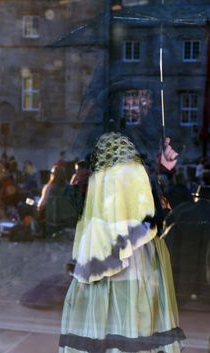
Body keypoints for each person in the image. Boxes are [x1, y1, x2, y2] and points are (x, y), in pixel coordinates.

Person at [59, 132, 185, 353]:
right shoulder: (130, 173)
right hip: (134, 250)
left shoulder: (102, 180)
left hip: (120, 248)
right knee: (133, 313)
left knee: (113, 313)